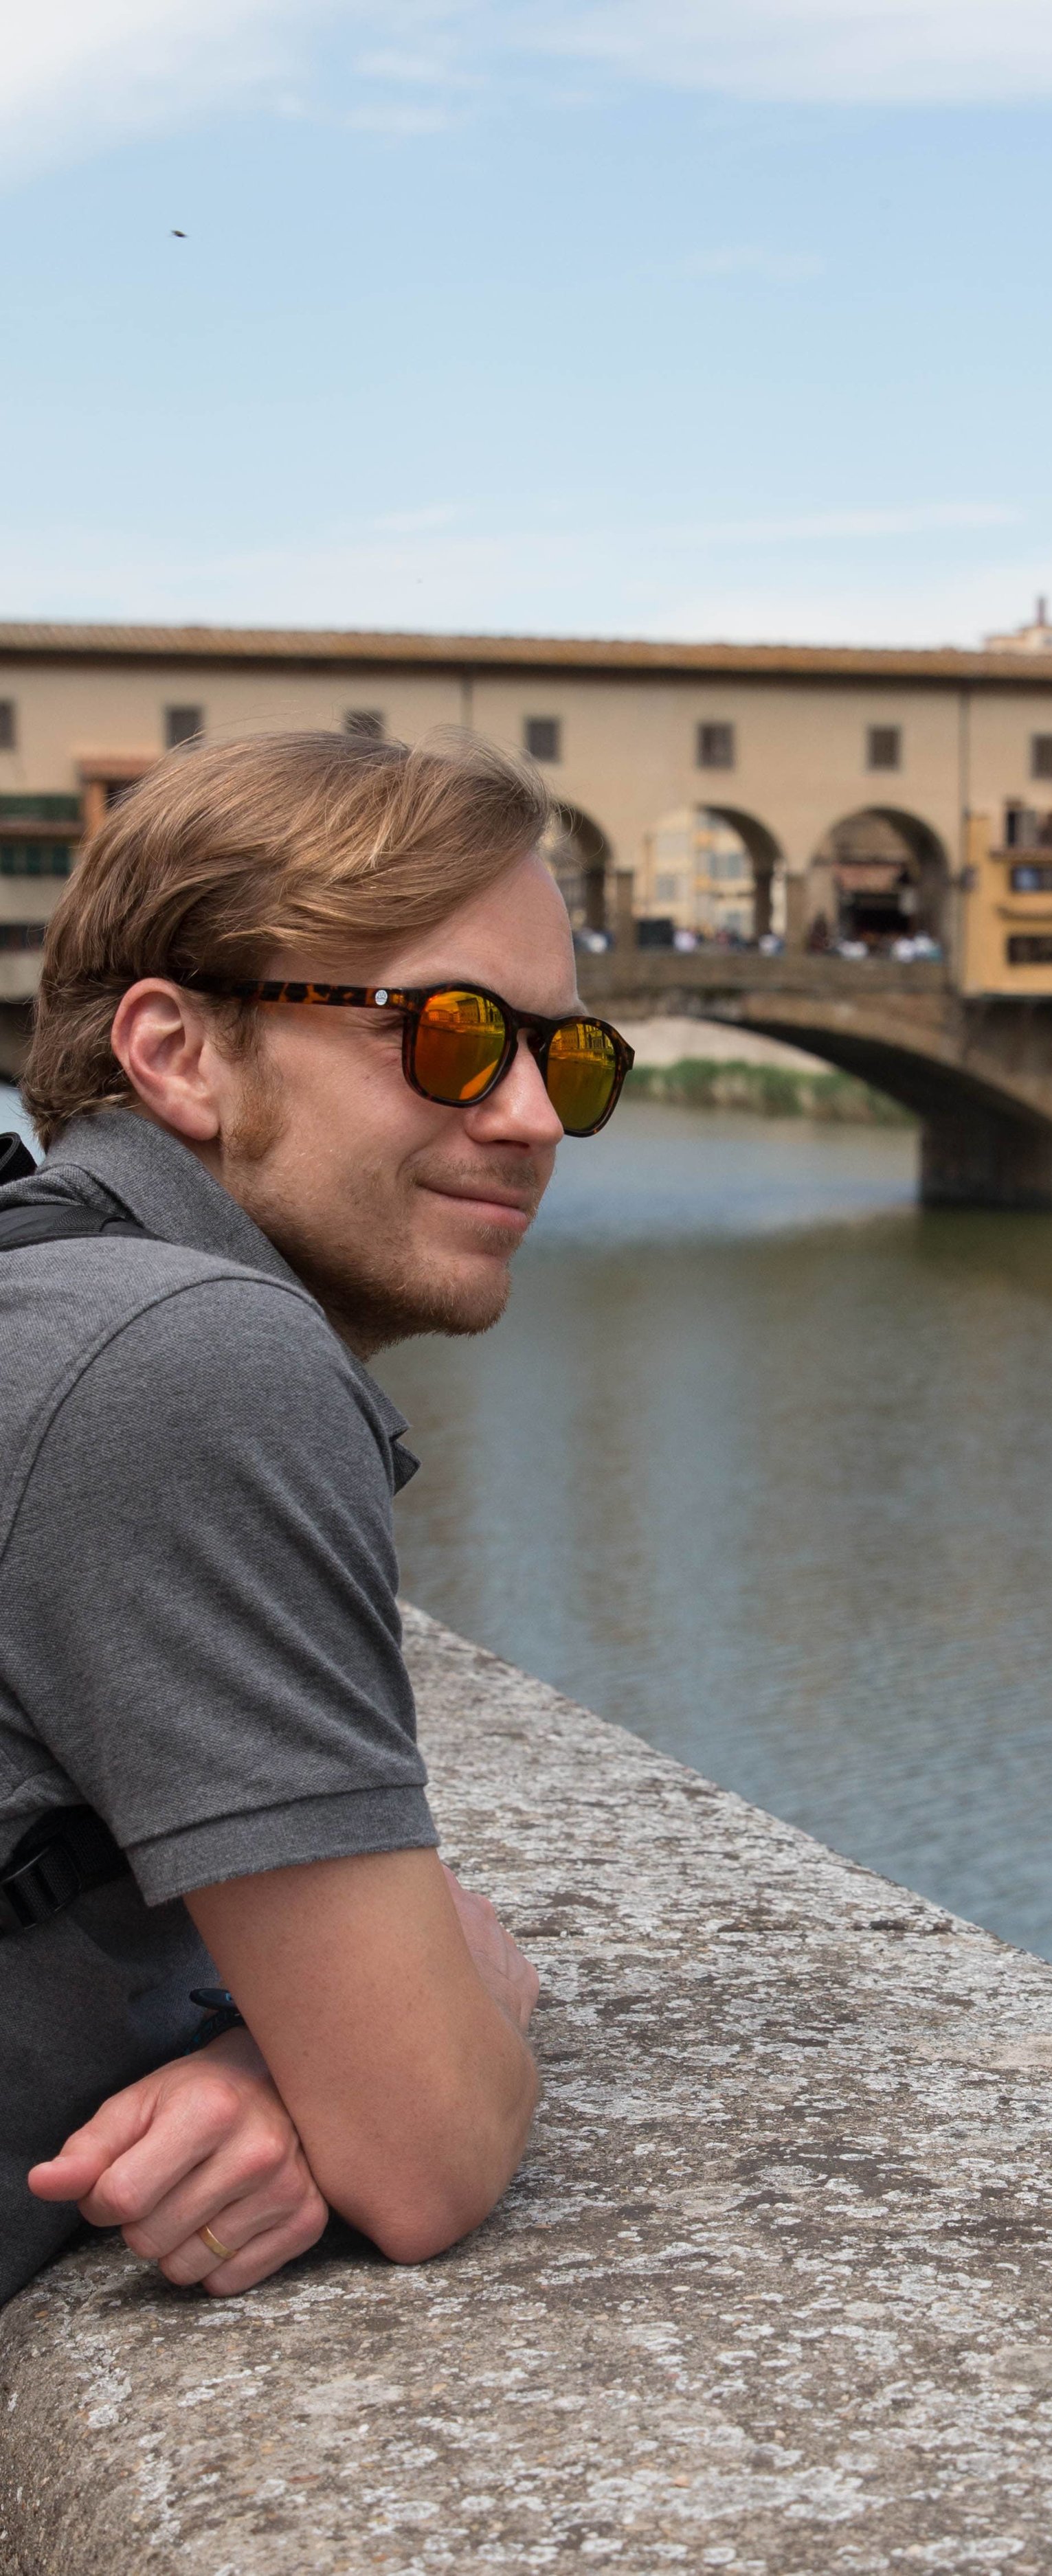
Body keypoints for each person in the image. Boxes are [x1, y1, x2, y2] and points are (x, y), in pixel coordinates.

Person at [0, 727, 631, 2304]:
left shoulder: (50, 1297)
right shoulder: (184, 1355)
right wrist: (459, 1983)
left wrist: (270, 2073)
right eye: (451, 1035)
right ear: (178, 1051)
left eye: (564, 1056)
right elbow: (421, 2153)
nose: (533, 1119)